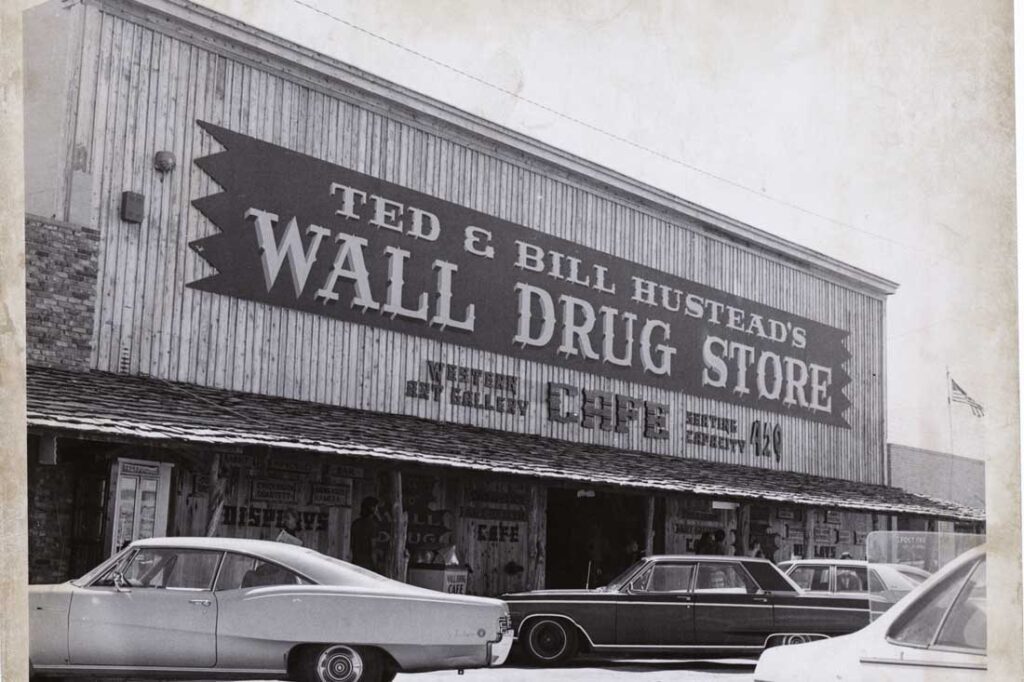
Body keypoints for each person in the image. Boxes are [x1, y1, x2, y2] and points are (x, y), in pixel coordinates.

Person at [350, 496, 382, 571]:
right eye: (376, 507)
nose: (377, 510)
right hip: (368, 564)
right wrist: (376, 567)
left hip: (355, 561)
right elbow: (373, 547)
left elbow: (352, 544)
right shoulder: (373, 525)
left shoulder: (355, 523)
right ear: (372, 508)